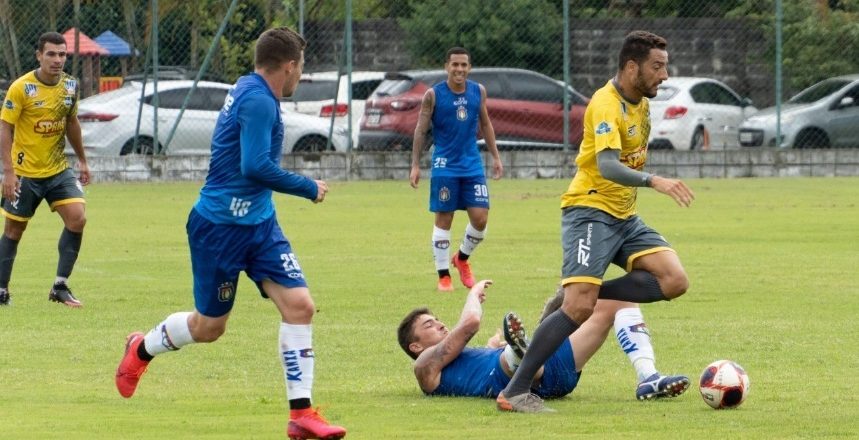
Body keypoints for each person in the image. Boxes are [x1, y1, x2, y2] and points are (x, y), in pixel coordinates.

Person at [114, 27, 346, 440]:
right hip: (219, 228)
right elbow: (254, 166)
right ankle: (142, 348)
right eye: (302, 67)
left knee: (300, 306)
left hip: (259, 225)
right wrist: (308, 187)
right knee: (209, 328)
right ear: (290, 65)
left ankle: (302, 414)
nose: (301, 76)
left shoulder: (249, 87)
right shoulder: (258, 100)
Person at [496, 30, 696, 413]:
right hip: (589, 211)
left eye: (665, 67)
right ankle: (515, 391)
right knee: (577, 310)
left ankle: (581, 291)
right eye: (658, 67)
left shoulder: (641, 104)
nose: (665, 75)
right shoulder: (606, 104)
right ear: (632, 66)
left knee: (674, 281)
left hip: (624, 216)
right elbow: (606, 165)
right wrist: (656, 181)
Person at [397, 280, 688, 402]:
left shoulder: (461, 360)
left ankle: (647, 377)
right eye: (429, 325)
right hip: (519, 382)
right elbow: (470, 322)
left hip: (557, 374)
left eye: (435, 319)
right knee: (505, 362)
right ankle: (519, 353)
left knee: (618, 301)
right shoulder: (425, 369)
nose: (440, 324)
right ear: (416, 347)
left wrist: (493, 345)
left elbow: (473, 356)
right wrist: (473, 294)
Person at [0, 31, 90, 308]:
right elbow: (5, 127)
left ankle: (60, 286)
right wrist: (9, 171)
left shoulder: (70, 87)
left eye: (62, 54)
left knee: (77, 218)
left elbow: (71, 123)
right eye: (51, 54)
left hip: (57, 170)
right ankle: (1, 289)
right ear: (39, 55)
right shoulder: (21, 87)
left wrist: (83, 160)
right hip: (25, 173)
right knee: (14, 231)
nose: (57, 59)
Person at [409, 47, 503, 292]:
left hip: (472, 164)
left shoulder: (477, 91)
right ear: (446, 66)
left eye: (464, 65)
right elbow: (420, 129)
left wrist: (495, 156)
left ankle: (461, 259)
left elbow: (485, 123)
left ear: (469, 67)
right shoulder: (434, 94)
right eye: (455, 65)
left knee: (481, 219)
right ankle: (443, 276)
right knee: (444, 218)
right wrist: (416, 164)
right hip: (445, 165)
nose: (459, 69)